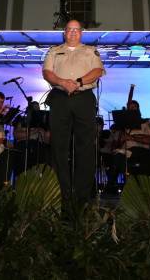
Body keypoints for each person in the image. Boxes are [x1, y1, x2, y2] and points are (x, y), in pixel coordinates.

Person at [42, 20, 105, 203]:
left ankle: (82, 195)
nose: (73, 33)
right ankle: (61, 193)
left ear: (81, 33)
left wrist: (78, 82)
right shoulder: (54, 51)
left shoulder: (90, 50)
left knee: (85, 146)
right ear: (64, 33)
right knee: (58, 146)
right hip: (60, 98)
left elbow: (98, 70)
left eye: (76, 30)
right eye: (69, 30)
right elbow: (47, 73)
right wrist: (62, 82)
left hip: (83, 98)